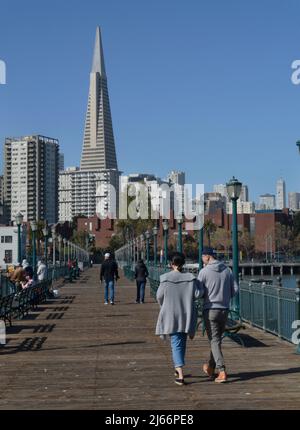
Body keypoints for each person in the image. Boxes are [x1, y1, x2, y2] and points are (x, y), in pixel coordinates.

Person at [155, 253, 200, 386]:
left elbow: (159, 296)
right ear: (183, 263)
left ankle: (180, 374)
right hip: (186, 313)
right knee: (181, 341)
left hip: (171, 314)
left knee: (176, 342)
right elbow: (197, 294)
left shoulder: (166, 278)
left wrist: (164, 306)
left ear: (171, 264)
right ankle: (177, 367)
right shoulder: (190, 278)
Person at [198, 247, 239, 384]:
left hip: (210, 310)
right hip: (224, 309)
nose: (202, 259)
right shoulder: (227, 270)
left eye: (202, 256)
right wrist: (225, 297)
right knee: (216, 340)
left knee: (214, 340)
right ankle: (210, 367)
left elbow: (198, 292)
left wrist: (204, 296)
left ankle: (221, 371)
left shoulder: (203, 272)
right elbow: (235, 290)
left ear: (208, 257)